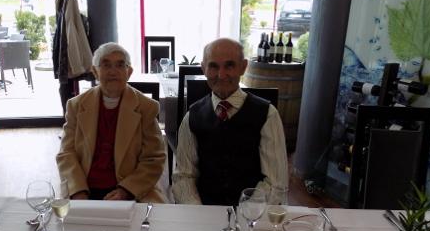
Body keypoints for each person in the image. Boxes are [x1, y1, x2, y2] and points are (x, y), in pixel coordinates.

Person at [172, 37, 288, 206]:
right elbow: (184, 176)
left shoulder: (268, 115)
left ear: (243, 67)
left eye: (229, 65)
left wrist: (246, 213)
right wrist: (198, 211)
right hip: (204, 210)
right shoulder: (192, 117)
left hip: (251, 213)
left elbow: (276, 182)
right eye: (213, 66)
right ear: (203, 69)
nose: (221, 75)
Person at [57, 42, 166, 202]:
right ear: (95, 71)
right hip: (84, 185)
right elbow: (66, 153)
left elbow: (154, 158)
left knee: (151, 216)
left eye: (120, 65)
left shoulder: (145, 107)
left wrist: (126, 190)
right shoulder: (76, 106)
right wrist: (78, 190)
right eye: (106, 65)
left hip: (130, 187)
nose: (113, 72)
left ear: (129, 72)